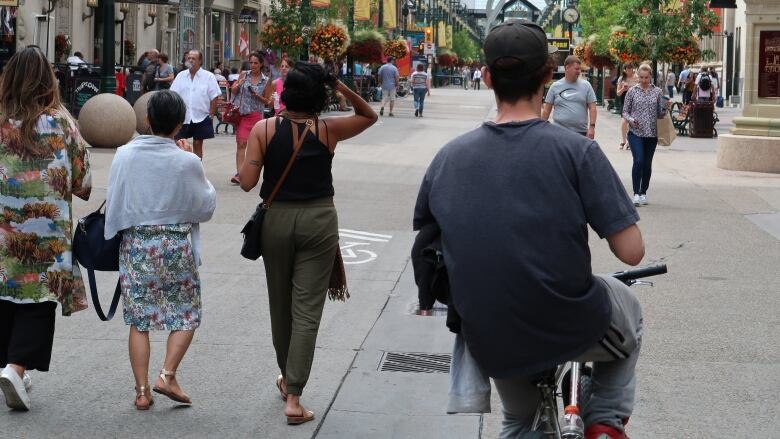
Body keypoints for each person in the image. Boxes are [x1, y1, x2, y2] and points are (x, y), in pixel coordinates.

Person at [413, 20, 646, 439]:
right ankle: (606, 420)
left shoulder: (448, 158)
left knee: (518, 422)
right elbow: (631, 252)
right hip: (570, 319)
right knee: (629, 306)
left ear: (486, 77)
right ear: (548, 75)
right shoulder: (577, 152)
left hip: (490, 330)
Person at [239, 62, 377, 425]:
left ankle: (287, 378)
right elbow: (369, 115)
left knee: (280, 304)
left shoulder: (265, 129)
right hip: (318, 221)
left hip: (277, 221)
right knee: (307, 311)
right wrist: (340, 86)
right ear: (318, 95)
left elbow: (250, 182)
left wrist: (245, 165)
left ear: (284, 95)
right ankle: (294, 396)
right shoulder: (328, 129)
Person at [105, 90, 216, 411]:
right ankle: (167, 374)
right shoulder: (186, 160)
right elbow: (205, 206)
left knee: (139, 321)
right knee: (185, 314)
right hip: (175, 246)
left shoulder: (124, 155)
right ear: (180, 124)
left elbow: (115, 202)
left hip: (137, 245)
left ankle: (142, 391)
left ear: (148, 119)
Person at [0, 46, 92, 411]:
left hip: (4, 228)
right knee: (40, 297)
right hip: (48, 231)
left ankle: (12, 368)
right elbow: (82, 183)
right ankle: (16, 367)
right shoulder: (62, 122)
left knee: (6, 292)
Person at [622, 63, 670, 206]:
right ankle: (636, 193)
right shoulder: (632, 91)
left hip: (652, 133)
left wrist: (665, 108)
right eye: (641, 77)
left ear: (651, 77)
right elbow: (625, 111)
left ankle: (643, 192)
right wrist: (631, 120)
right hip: (635, 132)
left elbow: (661, 114)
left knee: (647, 164)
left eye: (646, 77)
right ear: (638, 77)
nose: (643, 80)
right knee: (638, 161)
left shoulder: (657, 92)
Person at [230, 51, 273, 185]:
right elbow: (233, 90)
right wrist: (239, 84)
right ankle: (240, 174)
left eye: (255, 63)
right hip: (243, 114)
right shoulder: (244, 75)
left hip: (256, 117)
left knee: (256, 148)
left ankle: (252, 172)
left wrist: (256, 96)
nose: (253, 65)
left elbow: (268, 102)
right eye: (251, 62)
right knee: (241, 143)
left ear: (261, 64)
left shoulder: (266, 81)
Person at [170, 49, 221, 159]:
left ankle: (197, 167)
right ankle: (180, 165)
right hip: (183, 116)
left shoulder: (208, 76)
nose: (191, 60)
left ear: (200, 61)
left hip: (201, 116)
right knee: (178, 143)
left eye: (194, 58)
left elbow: (214, 97)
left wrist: (211, 115)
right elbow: (173, 94)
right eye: (189, 58)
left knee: (197, 143)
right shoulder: (180, 76)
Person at [541, 55, 597, 138]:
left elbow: (592, 108)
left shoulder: (586, 86)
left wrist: (592, 127)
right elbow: (546, 110)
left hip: (580, 133)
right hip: (559, 132)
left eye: (580, 69)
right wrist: (541, 128)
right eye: (576, 69)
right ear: (567, 68)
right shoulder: (555, 86)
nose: (579, 71)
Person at [615, 63, 638, 149]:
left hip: (635, 101)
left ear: (633, 69)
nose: (629, 71)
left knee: (632, 122)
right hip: (624, 101)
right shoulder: (621, 79)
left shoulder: (637, 78)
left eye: (630, 69)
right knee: (624, 121)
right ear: (624, 70)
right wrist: (623, 89)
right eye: (627, 69)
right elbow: (618, 93)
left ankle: (629, 141)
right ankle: (623, 140)